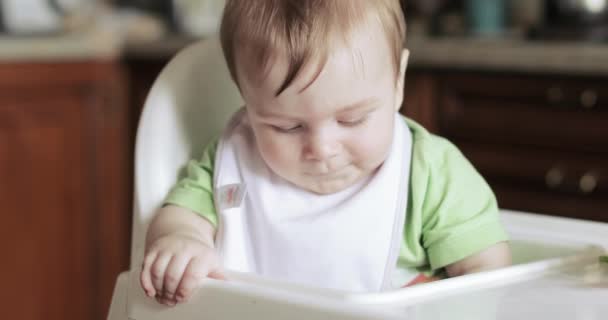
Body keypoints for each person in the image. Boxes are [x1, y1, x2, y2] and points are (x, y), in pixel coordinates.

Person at [140, 0, 512, 307]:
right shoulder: (233, 164)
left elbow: (487, 275)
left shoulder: (430, 173)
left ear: (397, 81)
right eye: (287, 127)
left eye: (353, 119)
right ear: (246, 100)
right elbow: (181, 214)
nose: (321, 148)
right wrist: (181, 240)